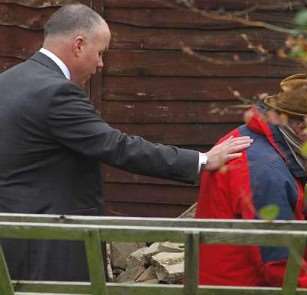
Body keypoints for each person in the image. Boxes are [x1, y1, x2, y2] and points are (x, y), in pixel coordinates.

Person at [0, 4, 252, 281]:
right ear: (79, 45)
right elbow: (116, 146)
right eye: (100, 53)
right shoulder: (55, 92)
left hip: (14, 237)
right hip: (52, 247)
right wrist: (202, 160)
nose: (100, 64)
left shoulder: (8, 81)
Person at [195, 73, 307, 288]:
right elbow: (278, 263)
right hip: (241, 286)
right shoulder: (266, 170)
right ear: (303, 127)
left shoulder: (248, 138)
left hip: (222, 279)